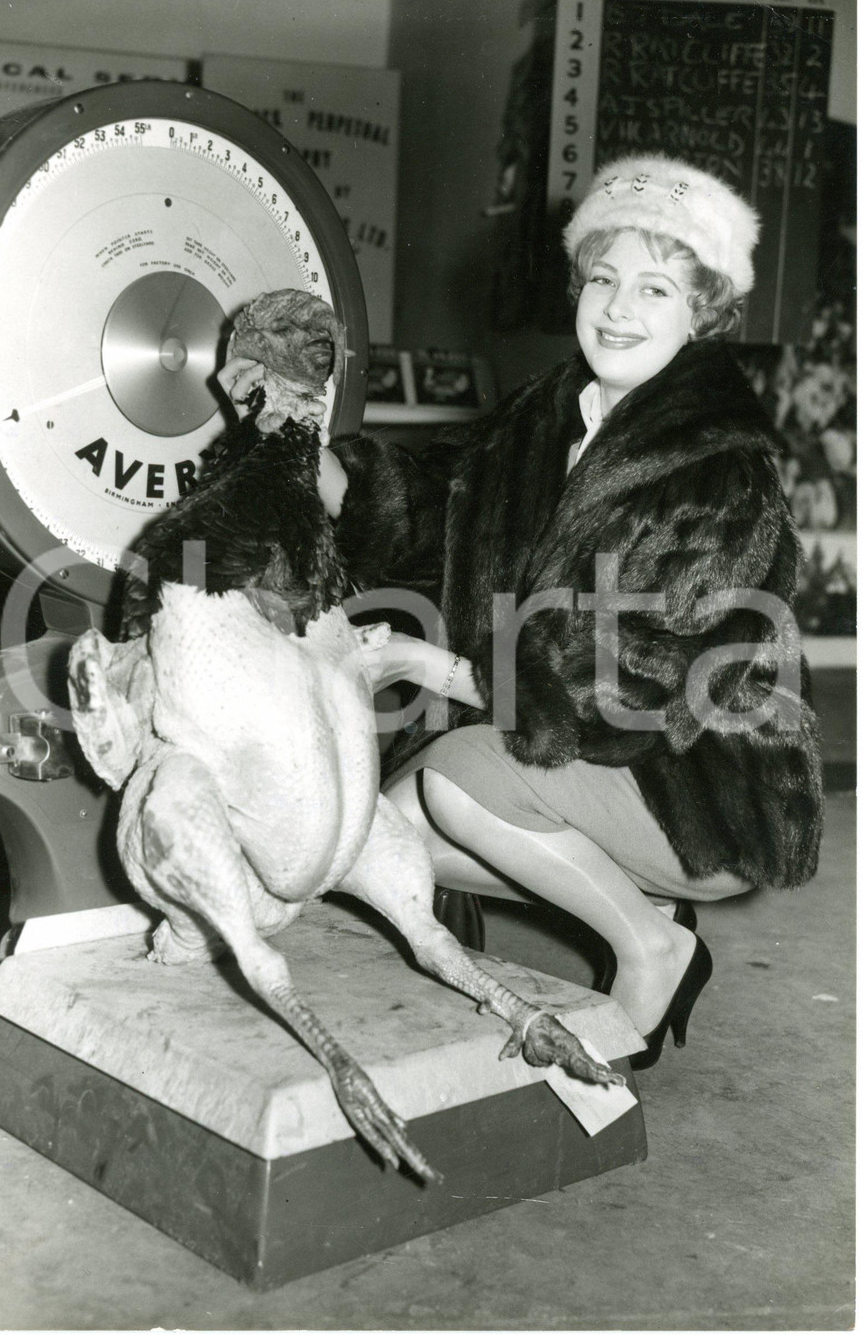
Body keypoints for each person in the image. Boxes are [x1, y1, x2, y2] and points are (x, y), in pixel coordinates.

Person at [222, 153, 824, 1070]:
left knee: (465, 776)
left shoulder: (720, 467)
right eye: (606, 279)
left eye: (656, 289)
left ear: (701, 314)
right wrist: (308, 456)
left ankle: (649, 946)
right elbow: (435, 510)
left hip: (699, 779)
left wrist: (444, 672)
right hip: (585, 754)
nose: (620, 308)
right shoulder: (551, 415)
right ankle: (645, 907)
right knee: (374, 846)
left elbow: (642, 669)